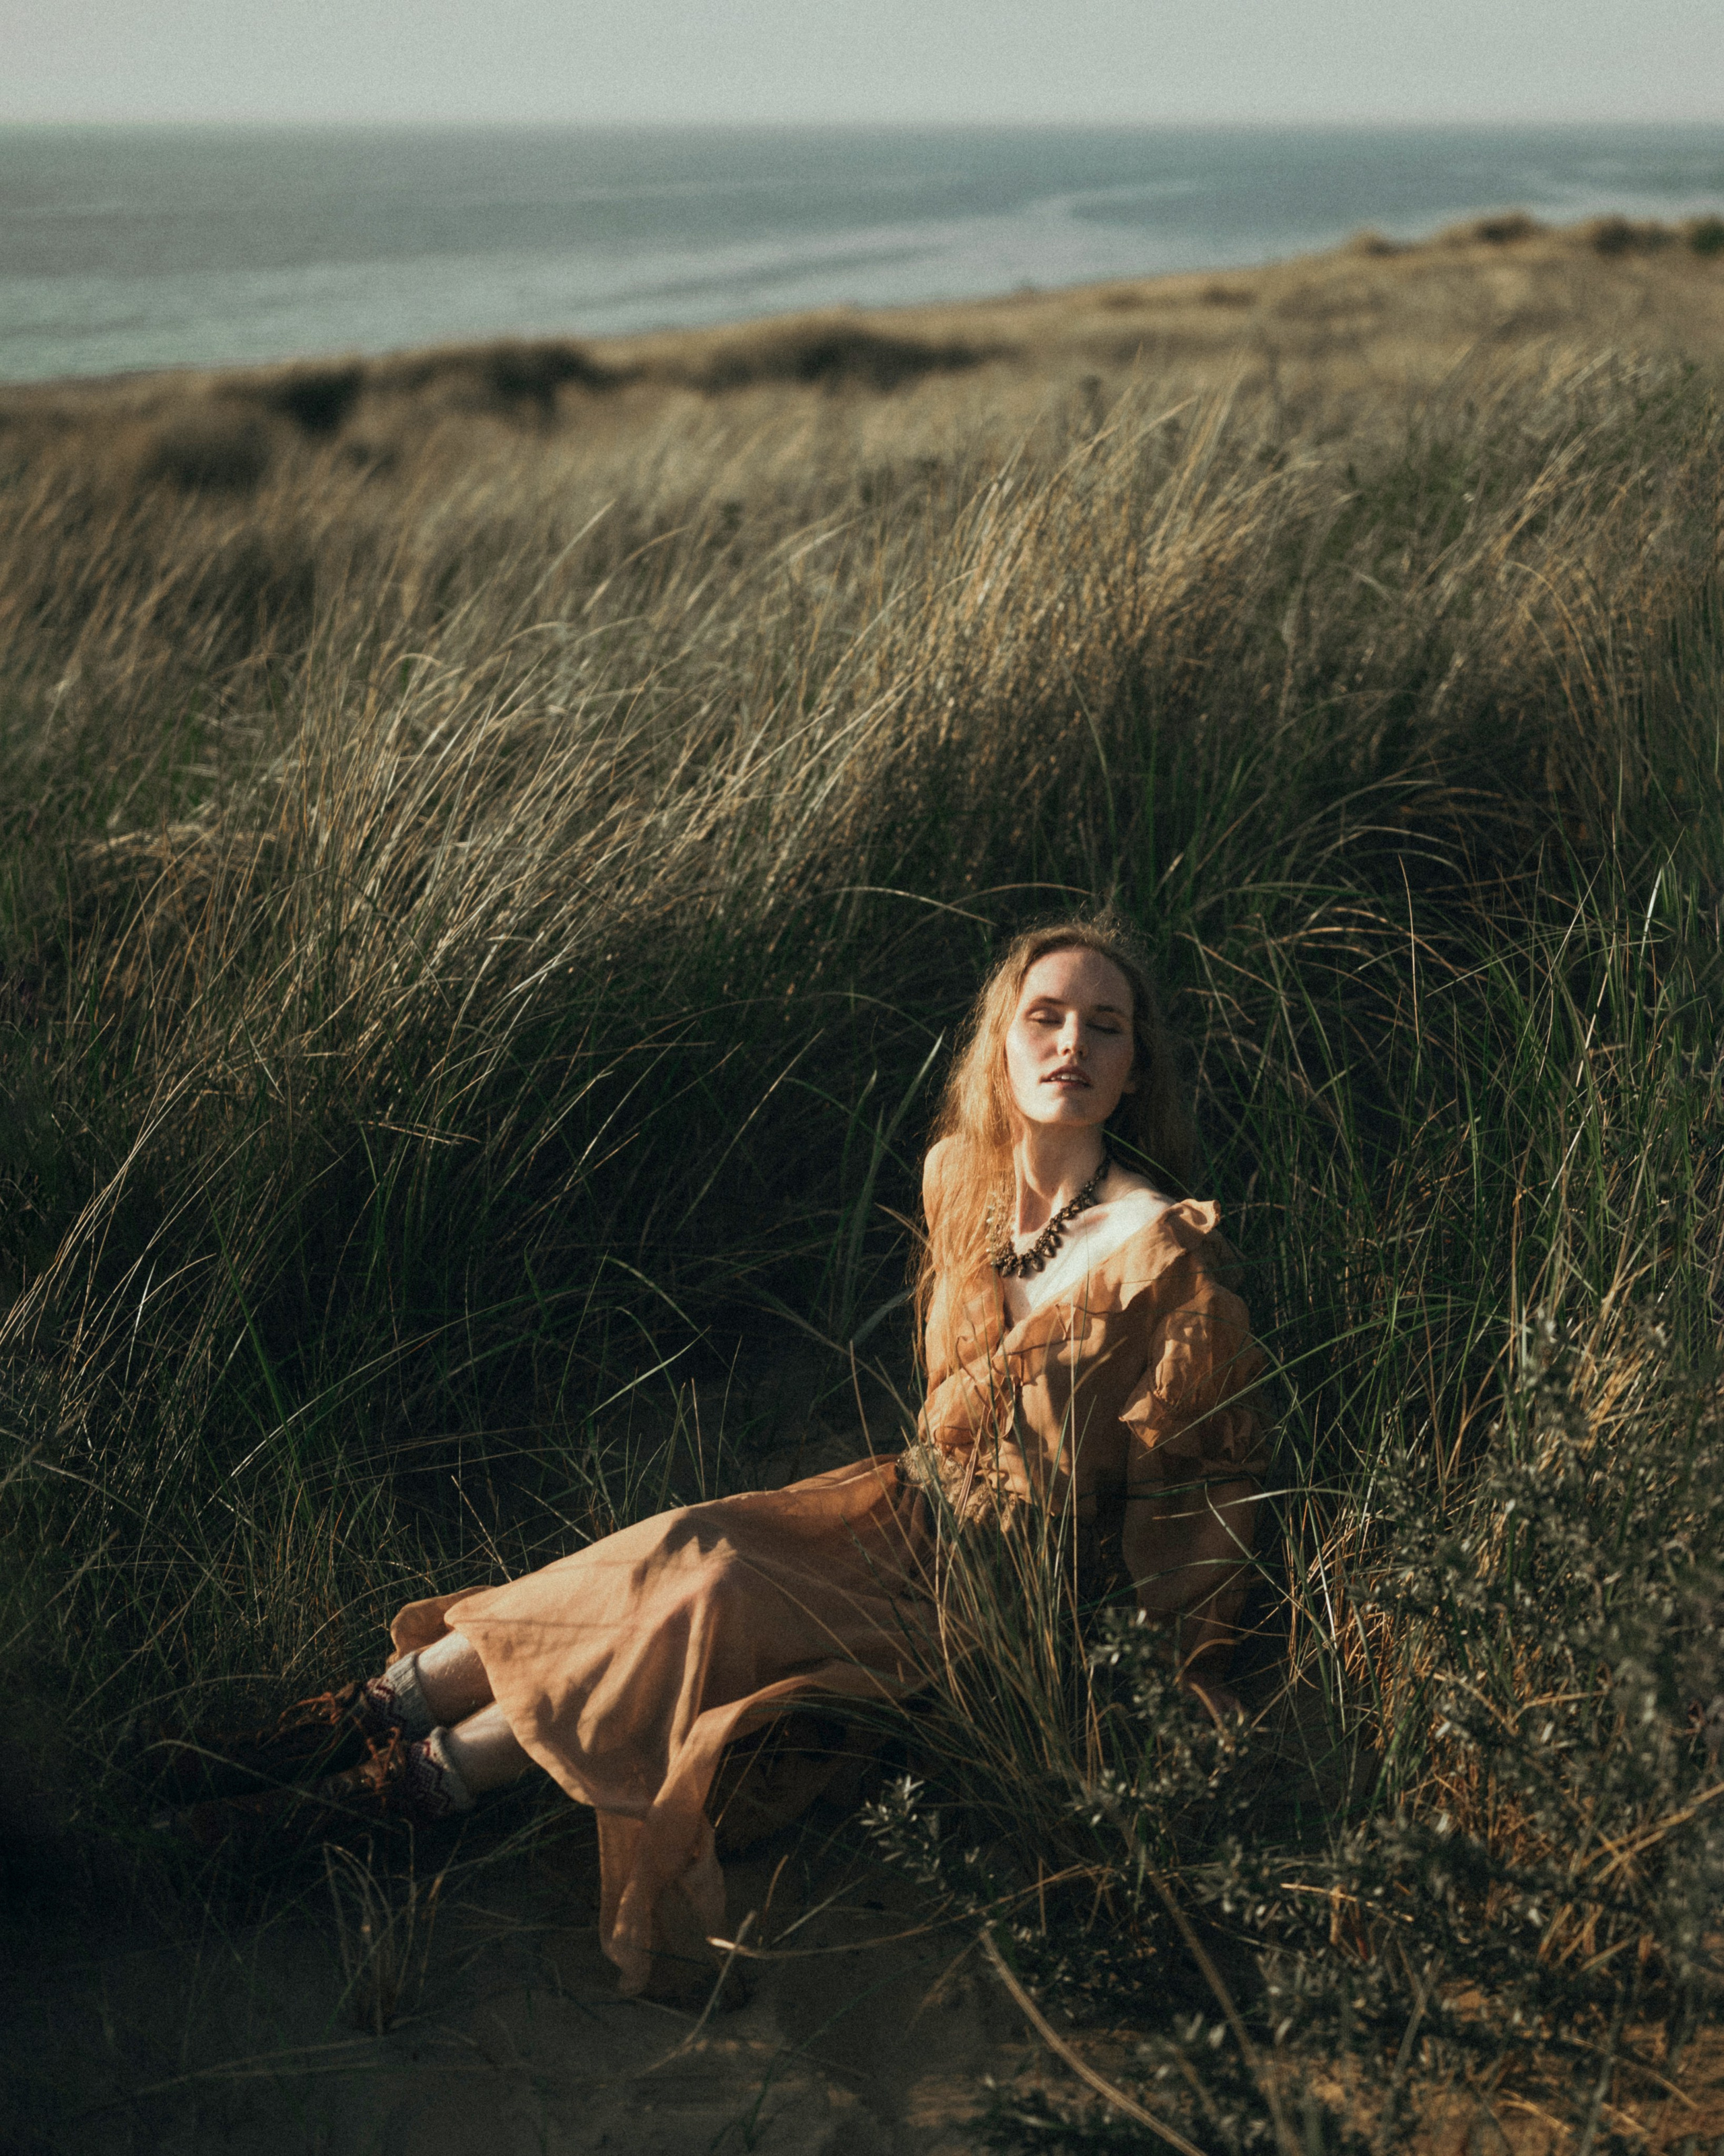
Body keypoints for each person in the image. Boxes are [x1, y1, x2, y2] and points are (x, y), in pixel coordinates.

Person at [160, 916, 1267, 2001]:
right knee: (678, 1548)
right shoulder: (959, 1180)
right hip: (888, 1509)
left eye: (1106, 1026)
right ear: (1002, 1045)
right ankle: (353, 1719)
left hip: (986, 1596)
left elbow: (1199, 1499)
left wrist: (1178, 1682)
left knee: (707, 1595)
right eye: (1047, 1016)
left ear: (1135, 1070)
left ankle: (373, 1797)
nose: (1073, 1043)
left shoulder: (1170, 1263)